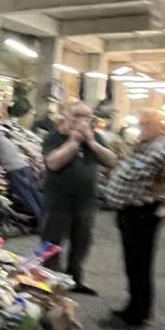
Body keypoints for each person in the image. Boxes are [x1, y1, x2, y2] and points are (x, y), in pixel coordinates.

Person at [101, 108, 165, 329]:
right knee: (132, 263)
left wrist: (162, 192)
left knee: (140, 264)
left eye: (148, 123)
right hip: (130, 212)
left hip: (142, 214)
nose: (143, 127)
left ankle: (137, 314)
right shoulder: (143, 146)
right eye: (142, 123)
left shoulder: (161, 149)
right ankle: (133, 306)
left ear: (160, 125)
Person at [40, 101, 117, 294]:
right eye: (77, 115)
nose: (82, 121)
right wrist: (73, 143)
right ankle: (50, 281)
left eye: (86, 117)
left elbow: (111, 161)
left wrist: (91, 142)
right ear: (67, 116)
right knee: (51, 243)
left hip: (86, 201)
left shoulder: (96, 138)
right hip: (58, 201)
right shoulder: (54, 137)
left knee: (82, 242)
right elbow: (53, 163)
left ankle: (75, 279)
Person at [0, 124, 44, 228]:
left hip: (15, 170)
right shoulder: (4, 138)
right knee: (35, 194)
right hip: (25, 167)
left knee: (27, 197)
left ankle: (41, 224)